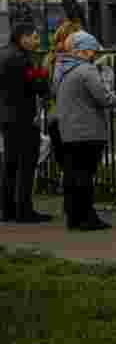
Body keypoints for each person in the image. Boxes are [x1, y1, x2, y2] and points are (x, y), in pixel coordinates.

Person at [53, 31, 116, 230]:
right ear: (83, 51)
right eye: (92, 51)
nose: (94, 55)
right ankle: (87, 217)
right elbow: (104, 98)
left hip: (67, 130)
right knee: (85, 175)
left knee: (72, 174)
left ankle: (73, 217)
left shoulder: (61, 68)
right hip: (88, 130)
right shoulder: (86, 70)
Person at [1, 22, 51, 223]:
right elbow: (37, 84)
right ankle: (24, 211)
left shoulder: (3, 54)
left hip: (6, 116)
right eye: (35, 37)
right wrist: (43, 75)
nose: (37, 41)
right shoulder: (22, 59)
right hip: (23, 117)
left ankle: (7, 210)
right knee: (27, 165)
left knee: (9, 164)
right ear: (23, 38)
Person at [43, 19, 82, 168]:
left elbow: (47, 90)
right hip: (73, 119)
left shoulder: (49, 60)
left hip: (54, 117)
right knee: (78, 166)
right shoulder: (71, 62)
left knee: (65, 165)